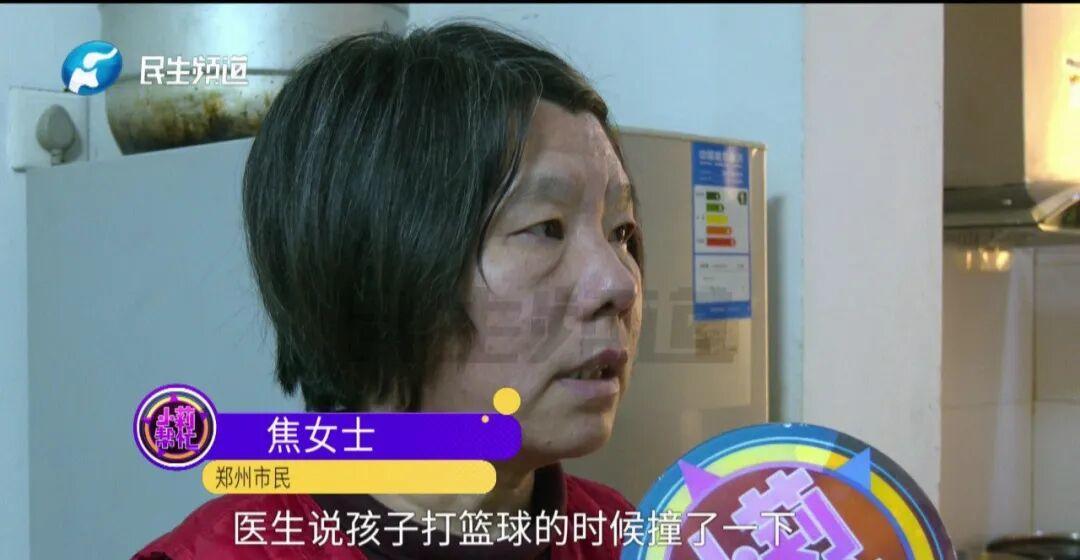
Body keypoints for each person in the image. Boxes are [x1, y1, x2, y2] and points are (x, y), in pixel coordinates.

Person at [134, 21, 645, 560]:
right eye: (546, 228)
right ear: (372, 265)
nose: (619, 284)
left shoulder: (634, 540)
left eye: (621, 232)